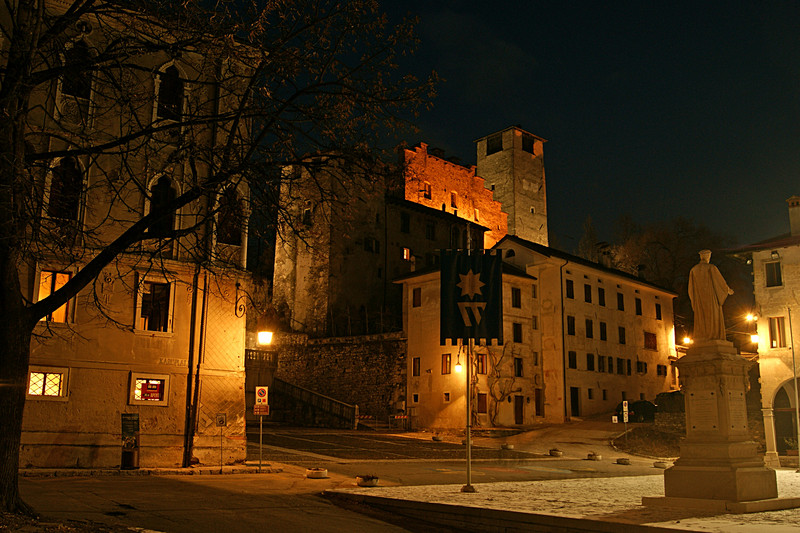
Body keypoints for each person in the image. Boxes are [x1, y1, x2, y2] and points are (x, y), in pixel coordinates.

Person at [688, 249, 733, 341]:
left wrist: (693, 300)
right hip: (711, 297)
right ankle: (713, 336)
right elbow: (720, 282)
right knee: (713, 317)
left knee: (701, 317)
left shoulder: (693, 270)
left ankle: (702, 336)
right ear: (707, 257)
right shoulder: (711, 268)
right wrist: (728, 290)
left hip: (699, 299)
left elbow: (690, 288)